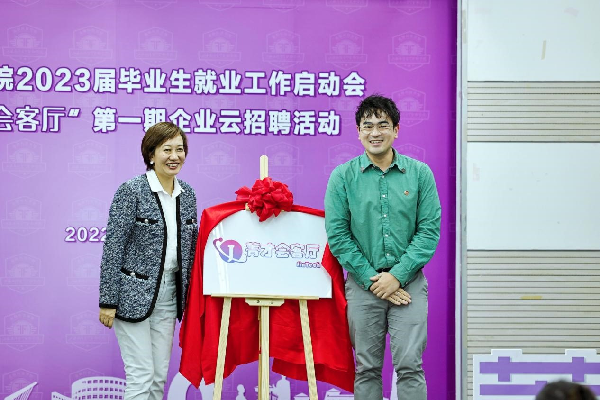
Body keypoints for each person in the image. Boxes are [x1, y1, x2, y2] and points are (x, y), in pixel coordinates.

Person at [324, 94, 441, 400]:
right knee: (366, 368)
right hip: (363, 286)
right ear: (358, 131)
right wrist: (374, 280)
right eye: (368, 126)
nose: (375, 132)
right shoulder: (343, 177)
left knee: (410, 366)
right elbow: (338, 236)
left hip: (409, 285)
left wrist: (397, 277)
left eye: (383, 125)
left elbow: (428, 232)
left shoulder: (420, 174)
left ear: (396, 130)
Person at [98, 122, 198, 400]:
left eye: (180, 149)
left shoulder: (188, 194)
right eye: (167, 149)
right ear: (151, 154)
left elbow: (192, 246)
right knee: (141, 375)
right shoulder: (131, 190)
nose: (174, 156)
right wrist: (108, 300)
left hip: (170, 295)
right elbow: (113, 247)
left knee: (158, 377)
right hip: (131, 295)